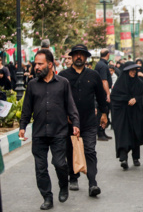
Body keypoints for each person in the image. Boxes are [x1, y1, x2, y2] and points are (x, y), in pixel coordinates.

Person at [19, 49, 80, 210]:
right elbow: (27, 109)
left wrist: (75, 124)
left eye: (40, 64)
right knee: (40, 169)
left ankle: (63, 185)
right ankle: (47, 197)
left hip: (59, 132)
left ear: (50, 64)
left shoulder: (63, 83)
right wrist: (22, 127)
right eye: (35, 64)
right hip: (39, 133)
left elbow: (71, 106)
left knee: (60, 164)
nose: (36, 67)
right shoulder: (32, 85)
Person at [59, 44, 108, 197]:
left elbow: (101, 97)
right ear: (72, 57)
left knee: (90, 151)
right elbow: (58, 98)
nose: (79, 57)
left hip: (88, 121)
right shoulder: (63, 75)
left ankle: (92, 183)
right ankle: (73, 176)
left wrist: (104, 114)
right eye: (76, 54)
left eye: (82, 54)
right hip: (69, 122)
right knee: (70, 150)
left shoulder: (93, 75)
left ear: (86, 57)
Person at [111, 61, 143, 169]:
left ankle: (135, 157)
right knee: (123, 134)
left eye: (135, 70)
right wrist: (127, 99)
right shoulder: (120, 84)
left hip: (136, 113)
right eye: (131, 70)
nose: (133, 72)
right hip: (123, 115)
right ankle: (123, 158)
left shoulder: (139, 83)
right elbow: (115, 98)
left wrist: (136, 99)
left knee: (135, 133)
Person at [94, 49, 113, 141]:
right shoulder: (103, 65)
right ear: (108, 54)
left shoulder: (101, 64)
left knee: (104, 111)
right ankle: (100, 132)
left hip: (101, 91)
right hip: (102, 92)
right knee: (102, 112)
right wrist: (108, 94)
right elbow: (104, 80)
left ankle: (103, 132)